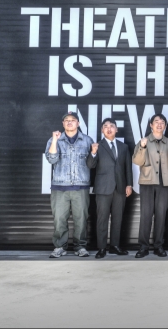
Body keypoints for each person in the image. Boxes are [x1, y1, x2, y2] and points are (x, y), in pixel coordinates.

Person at [45, 111, 95, 258]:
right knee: (59, 219)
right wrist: (54, 140)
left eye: (73, 120)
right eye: (66, 120)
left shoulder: (87, 140)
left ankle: (80, 247)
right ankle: (60, 247)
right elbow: (52, 159)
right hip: (60, 187)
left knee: (81, 219)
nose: (69, 122)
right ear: (63, 124)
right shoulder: (54, 140)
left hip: (81, 186)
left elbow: (92, 163)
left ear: (78, 123)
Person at [133, 113, 168, 259]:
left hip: (164, 184)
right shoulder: (144, 141)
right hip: (147, 182)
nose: (159, 124)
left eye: (162, 122)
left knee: (161, 215)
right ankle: (143, 246)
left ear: (165, 125)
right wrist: (143, 147)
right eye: (156, 122)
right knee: (146, 215)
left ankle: (159, 246)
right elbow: (137, 161)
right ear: (151, 125)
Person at [86, 118, 133, 259]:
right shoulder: (97, 146)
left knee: (118, 218)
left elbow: (127, 168)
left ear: (116, 129)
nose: (109, 128)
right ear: (102, 130)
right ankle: (101, 248)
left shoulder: (123, 147)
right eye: (105, 126)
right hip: (103, 188)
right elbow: (90, 165)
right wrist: (93, 152)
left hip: (120, 187)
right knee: (102, 219)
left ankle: (115, 246)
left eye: (112, 126)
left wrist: (129, 184)